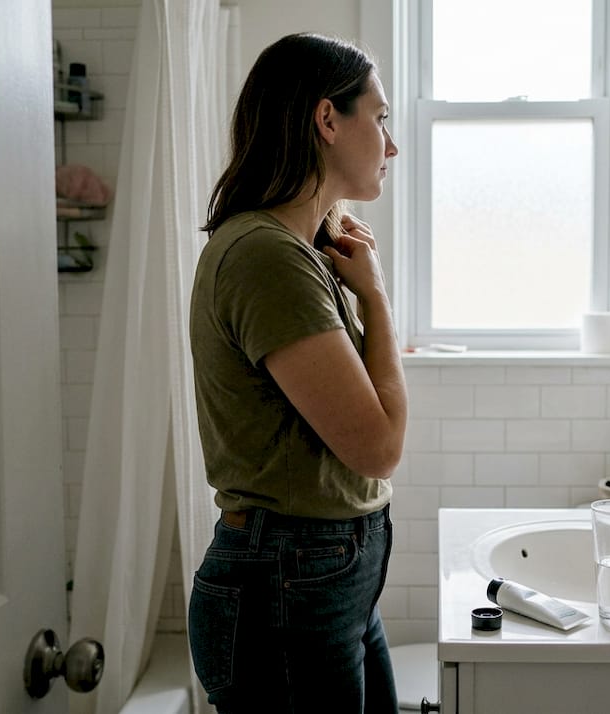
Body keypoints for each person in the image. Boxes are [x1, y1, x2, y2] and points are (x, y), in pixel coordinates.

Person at [186, 33, 406, 713]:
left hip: (322, 578)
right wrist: (376, 299)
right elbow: (378, 448)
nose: (391, 146)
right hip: (289, 583)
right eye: (381, 117)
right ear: (327, 118)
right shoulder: (267, 258)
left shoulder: (304, 252)